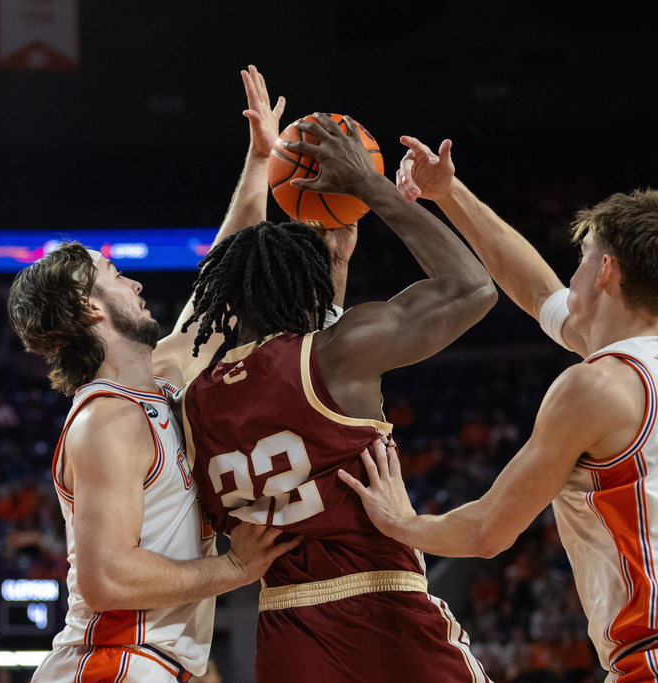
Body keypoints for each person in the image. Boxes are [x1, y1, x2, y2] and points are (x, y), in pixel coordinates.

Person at [339, 136, 658, 681]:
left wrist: (401, 523)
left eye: (583, 254)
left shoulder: (592, 388)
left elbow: (487, 532)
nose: (573, 269)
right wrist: (448, 192)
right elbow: (536, 291)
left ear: (605, 271)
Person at [173, 113, 497, 681]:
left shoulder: (195, 403)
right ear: (309, 287)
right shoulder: (336, 354)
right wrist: (370, 187)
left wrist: (336, 268)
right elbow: (471, 289)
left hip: (285, 635)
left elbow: (292, 390)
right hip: (385, 612)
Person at [6, 66, 301, 682]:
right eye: (114, 274)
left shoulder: (163, 382)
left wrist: (259, 162)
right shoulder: (108, 420)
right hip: (112, 664)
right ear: (90, 306)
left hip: (154, 665)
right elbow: (108, 576)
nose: (135, 281)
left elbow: (220, 280)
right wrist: (232, 570)